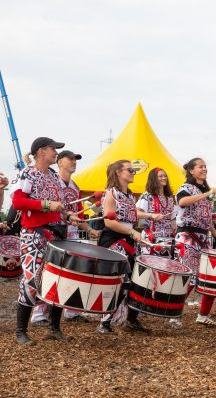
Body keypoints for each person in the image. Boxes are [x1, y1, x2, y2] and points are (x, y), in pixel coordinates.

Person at [12, 137, 78, 344]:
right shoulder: (27, 173)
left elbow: (59, 206)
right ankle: (20, 331)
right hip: (34, 234)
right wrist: (48, 205)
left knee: (60, 280)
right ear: (41, 151)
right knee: (31, 281)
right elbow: (18, 201)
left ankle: (54, 327)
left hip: (57, 233)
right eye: (52, 149)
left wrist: (68, 215)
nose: (56, 152)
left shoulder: (54, 176)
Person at [31, 150, 101, 324]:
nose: (74, 162)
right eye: (70, 159)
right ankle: (39, 314)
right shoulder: (53, 182)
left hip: (71, 234)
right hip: (53, 232)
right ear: (60, 162)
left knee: (71, 273)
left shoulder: (75, 186)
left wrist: (89, 228)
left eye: (76, 159)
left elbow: (77, 214)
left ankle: (70, 311)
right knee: (48, 272)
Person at [96, 160, 153, 334]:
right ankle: (104, 322)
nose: (133, 172)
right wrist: (132, 232)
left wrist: (139, 231)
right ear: (119, 172)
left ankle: (131, 319)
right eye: (130, 169)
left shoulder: (129, 195)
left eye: (134, 170)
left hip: (128, 239)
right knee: (120, 281)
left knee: (138, 280)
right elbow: (108, 222)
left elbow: (132, 218)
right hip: (114, 240)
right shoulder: (111, 194)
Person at [174, 158, 216, 326]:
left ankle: (203, 315)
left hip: (204, 238)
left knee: (211, 278)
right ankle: (174, 315)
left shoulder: (204, 192)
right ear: (191, 171)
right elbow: (182, 202)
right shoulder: (186, 188)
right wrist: (207, 194)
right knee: (188, 278)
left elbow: (206, 217)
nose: (204, 169)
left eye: (205, 166)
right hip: (187, 237)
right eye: (200, 166)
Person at [136, 167, 174, 256]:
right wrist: (151, 215)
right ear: (154, 179)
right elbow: (136, 213)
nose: (164, 178)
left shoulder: (169, 197)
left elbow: (172, 220)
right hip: (151, 240)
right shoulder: (147, 195)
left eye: (165, 176)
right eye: (160, 176)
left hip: (167, 241)